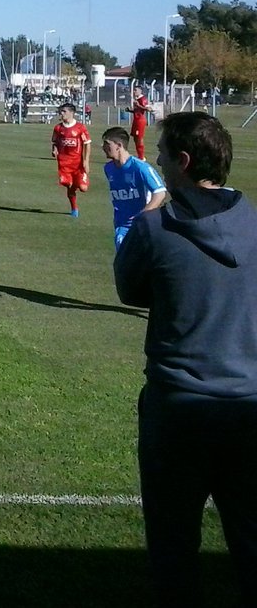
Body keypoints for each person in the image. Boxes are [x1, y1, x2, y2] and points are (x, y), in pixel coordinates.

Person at [115, 112, 257, 606]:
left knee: (173, 547)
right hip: (250, 406)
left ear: (183, 161)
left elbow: (130, 290)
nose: (153, 160)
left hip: (177, 409)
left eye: (160, 153)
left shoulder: (154, 229)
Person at [101, 126, 166, 249]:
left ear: (118, 145)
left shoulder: (140, 167)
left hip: (143, 226)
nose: (103, 147)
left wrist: (142, 215)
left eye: (107, 144)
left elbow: (160, 192)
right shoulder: (108, 168)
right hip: (121, 226)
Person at [51, 102, 91, 217]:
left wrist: (86, 161)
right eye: (61, 111)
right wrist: (54, 149)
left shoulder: (80, 128)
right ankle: (74, 208)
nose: (61, 113)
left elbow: (87, 143)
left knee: (83, 188)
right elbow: (54, 142)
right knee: (68, 184)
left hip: (77, 163)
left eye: (64, 111)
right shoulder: (58, 128)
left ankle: (79, 181)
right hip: (64, 163)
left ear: (71, 113)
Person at [129, 85, 152, 160]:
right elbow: (137, 111)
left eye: (135, 90)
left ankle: (141, 157)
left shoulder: (143, 99)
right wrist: (130, 110)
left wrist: (138, 105)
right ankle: (140, 155)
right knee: (135, 138)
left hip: (140, 121)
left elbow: (148, 109)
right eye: (134, 90)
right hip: (136, 120)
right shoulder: (137, 99)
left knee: (139, 138)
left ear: (140, 91)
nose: (134, 91)